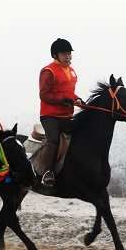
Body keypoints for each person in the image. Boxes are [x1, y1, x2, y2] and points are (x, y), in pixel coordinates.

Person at [39, 38, 83, 186]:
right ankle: (47, 172)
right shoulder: (48, 71)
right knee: (54, 141)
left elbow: (69, 93)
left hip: (67, 115)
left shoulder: (71, 71)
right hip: (50, 116)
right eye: (64, 54)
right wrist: (64, 99)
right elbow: (44, 95)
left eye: (69, 53)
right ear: (55, 55)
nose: (68, 56)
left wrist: (78, 100)